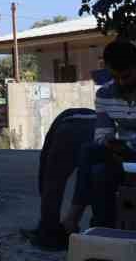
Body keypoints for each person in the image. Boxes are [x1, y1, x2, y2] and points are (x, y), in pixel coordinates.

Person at [62, 40, 136, 232]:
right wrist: (110, 146)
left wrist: (120, 149)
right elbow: (102, 135)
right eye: (116, 77)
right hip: (123, 156)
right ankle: (102, 231)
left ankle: (76, 217)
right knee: (96, 168)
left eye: (127, 76)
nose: (122, 82)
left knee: (89, 154)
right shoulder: (105, 93)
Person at [21, 106, 98, 250]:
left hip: (69, 129)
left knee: (53, 182)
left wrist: (47, 217)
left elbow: (45, 174)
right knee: (92, 180)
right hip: (96, 127)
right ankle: (91, 230)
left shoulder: (61, 129)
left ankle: (48, 234)